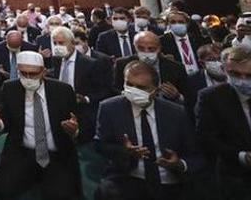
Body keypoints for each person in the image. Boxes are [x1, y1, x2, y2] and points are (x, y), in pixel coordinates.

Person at [95, 60, 204, 200]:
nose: (133, 90)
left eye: (141, 87)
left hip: (169, 181)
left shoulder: (176, 113)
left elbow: (196, 154)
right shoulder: (109, 108)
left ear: (155, 89)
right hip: (128, 178)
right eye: (129, 84)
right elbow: (100, 145)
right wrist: (125, 151)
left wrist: (179, 164)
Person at [0, 51, 82, 200]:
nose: (28, 78)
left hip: (55, 153)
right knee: (1, 189)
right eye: (23, 73)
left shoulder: (63, 91)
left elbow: (77, 123)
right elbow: (5, 122)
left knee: (62, 195)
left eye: (33, 74)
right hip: (22, 150)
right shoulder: (10, 88)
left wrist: (74, 131)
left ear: (43, 72)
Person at [195, 45, 251, 199]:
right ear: (224, 69)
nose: (243, 80)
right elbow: (205, 138)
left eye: (249, 75)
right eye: (235, 74)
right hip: (234, 180)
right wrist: (241, 156)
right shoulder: (211, 97)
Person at [49, 26, 110, 141]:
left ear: (72, 43)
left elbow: (104, 91)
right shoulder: (56, 60)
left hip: (83, 114)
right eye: (55, 43)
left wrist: (85, 99)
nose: (57, 47)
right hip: (60, 112)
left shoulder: (90, 64)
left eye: (61, 43)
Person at [114, 32, 189, 104]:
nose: (146, 52)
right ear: (134, 47)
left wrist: (177, 96)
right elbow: (115, 90)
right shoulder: (122, 64)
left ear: (159, 48)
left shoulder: (176, 68)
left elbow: (189, 96)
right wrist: (127, 93)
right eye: (141, 48)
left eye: (151, 49)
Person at [161, 10, 206, 76]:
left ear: (187, 24)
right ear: (168, 24)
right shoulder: (163, 41)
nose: (177, 24)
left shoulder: (198, 39)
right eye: (173, 22)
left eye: (181, 22)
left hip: (200, 76)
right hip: (180, 78)